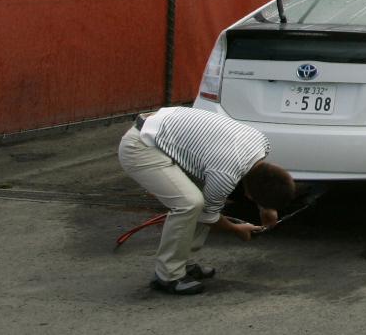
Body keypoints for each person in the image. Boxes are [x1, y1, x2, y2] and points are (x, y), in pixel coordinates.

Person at [118, 106, 295, 295]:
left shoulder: (261, 143)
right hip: (140, 145)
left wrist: (266, 208)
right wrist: (236, 229)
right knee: (190, 204)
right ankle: (168, 276)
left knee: (203, 201)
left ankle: (182, 263)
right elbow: (209, 215)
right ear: (249, 196)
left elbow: (263, 180)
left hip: (161, 128)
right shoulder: (225, 174)